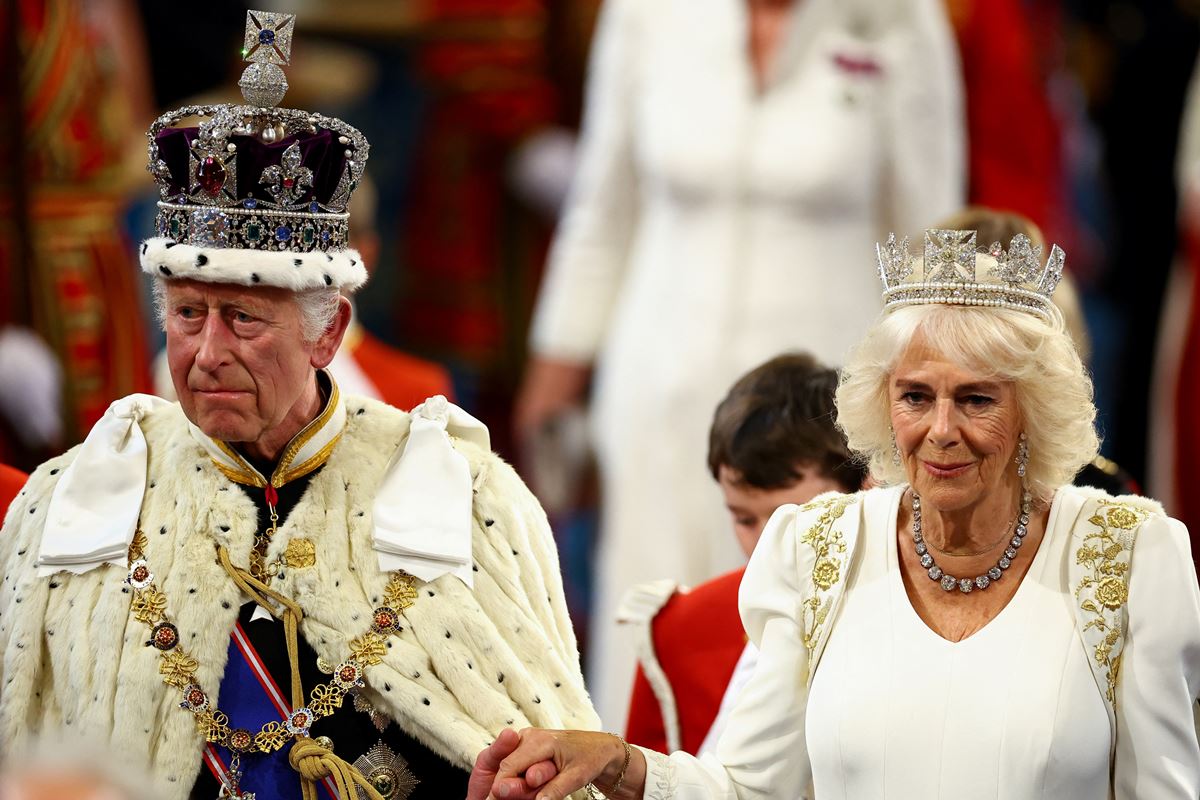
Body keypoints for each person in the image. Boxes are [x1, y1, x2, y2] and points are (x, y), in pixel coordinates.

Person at [0, 12, 597, 800]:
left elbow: (535, 749)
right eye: (186, 315)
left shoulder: (469, 496)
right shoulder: (72, 502)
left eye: (243, 319)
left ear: (330, 331)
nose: (207, 353)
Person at [468, 228, 1200, 799]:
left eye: (976, 399)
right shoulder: (814, 548)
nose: (940, 429)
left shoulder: (1128, 556)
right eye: (915, 396)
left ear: (1034, 414)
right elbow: (746, 789)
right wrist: (618, 763)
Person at [517, 0, 965, 726]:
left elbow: (926, 238)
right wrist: (553, 377)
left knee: (806, 639)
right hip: (657, 391)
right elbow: (600, 212)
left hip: (828, 418)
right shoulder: (642, 15)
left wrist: (923, 408)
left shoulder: (904, 20)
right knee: (648, 619)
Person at [621, 353, 865, 756]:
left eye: (794, 518)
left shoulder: (898, 612)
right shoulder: (679, 631)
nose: (768, 544)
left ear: (858, 492)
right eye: (745, 519)